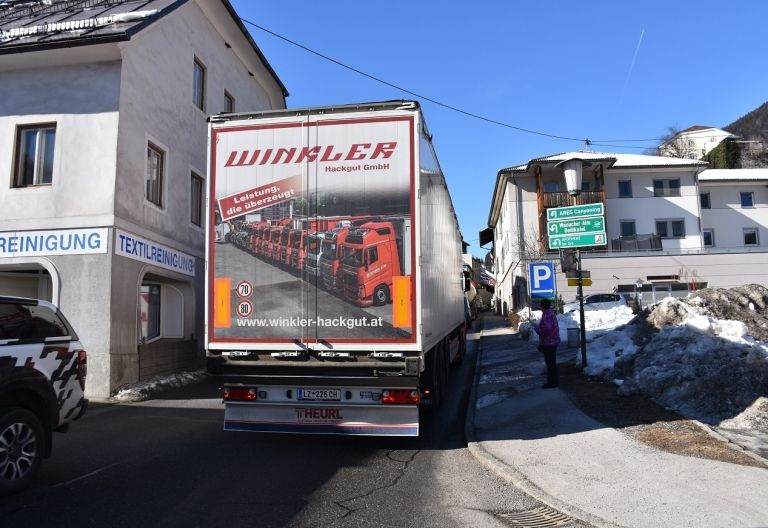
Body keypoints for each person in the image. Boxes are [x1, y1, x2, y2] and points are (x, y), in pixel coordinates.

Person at [533, 298, 560, 388]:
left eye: (541, 305)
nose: (540, 307)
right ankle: (553, 382)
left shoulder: (546, 315)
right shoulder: (550, 313)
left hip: (550, 342)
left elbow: (547, 329)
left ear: (543, 306)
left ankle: (552, 383)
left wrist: (537, 328)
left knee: (550, 363)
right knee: (551, 363)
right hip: (551, 341)